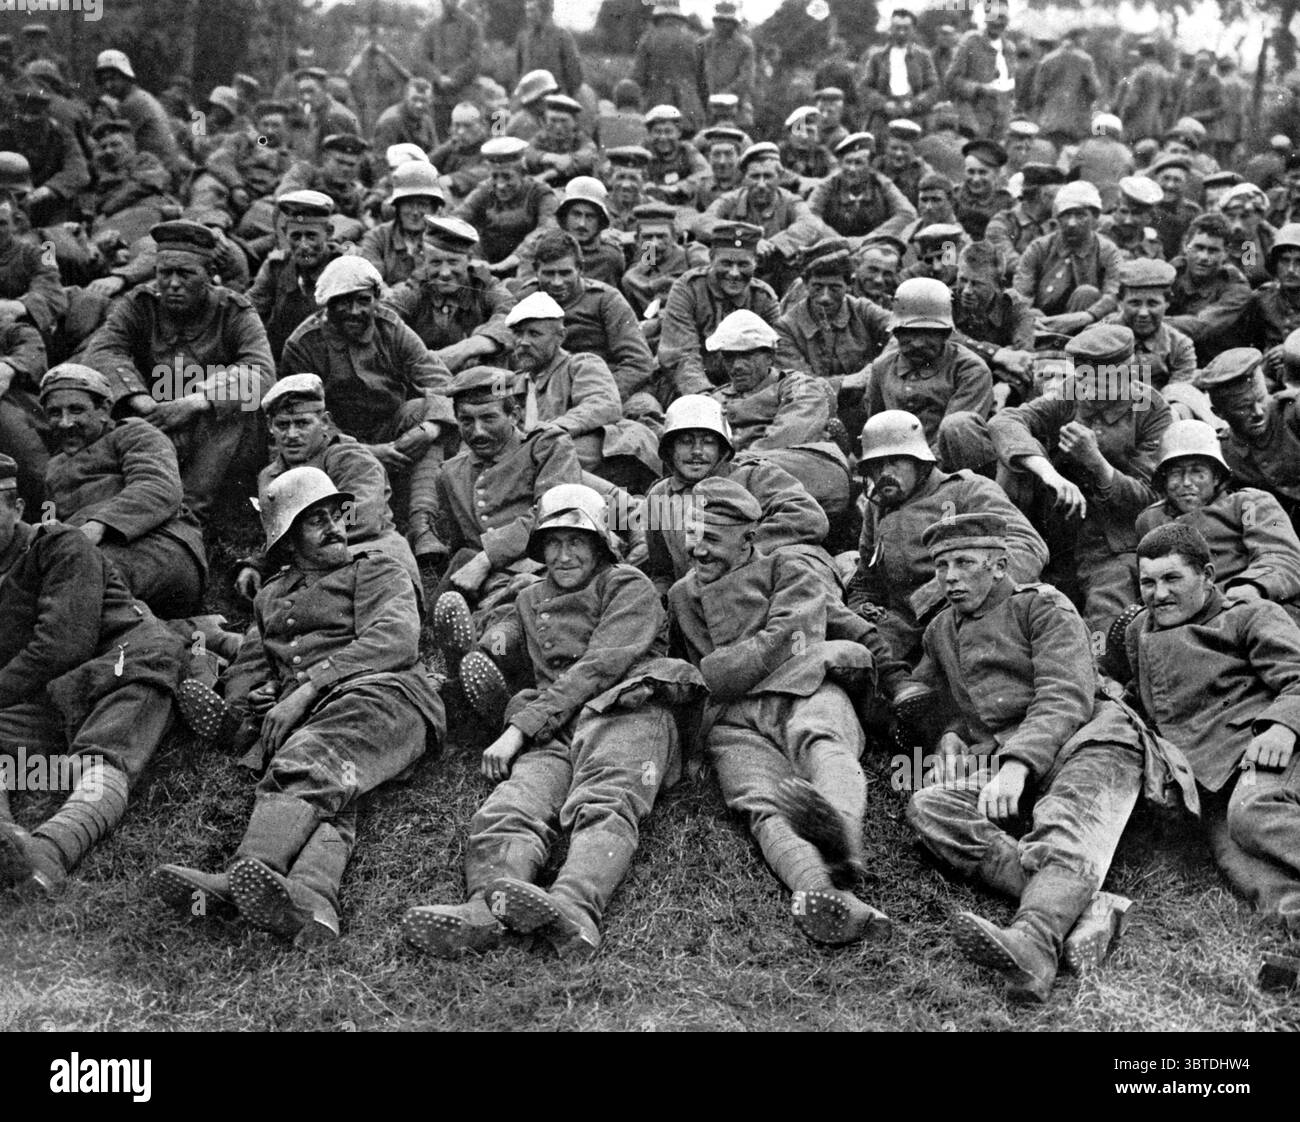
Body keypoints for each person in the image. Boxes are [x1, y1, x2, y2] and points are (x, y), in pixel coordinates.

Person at [403, 483, 701, 959]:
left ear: (600, 544)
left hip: (627, 708)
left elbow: (600, 665)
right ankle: (487, 905)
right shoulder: (530, 596)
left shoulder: (628, 586)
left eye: (576, 542)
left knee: (604, 802)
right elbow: (515, 638)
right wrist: (489, 646)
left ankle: (574, 908)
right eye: (553, 543)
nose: (563, 556)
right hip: (556, 725)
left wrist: (518, 729)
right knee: (512, 805)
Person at [151, 466, 444, 945]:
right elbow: (251, 662)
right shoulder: (270, 597)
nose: (334, 526)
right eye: (316, 520)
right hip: (318, 718)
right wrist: (256, 696)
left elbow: (395, 640)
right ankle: (312, 898)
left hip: (385, 697)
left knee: (310, 761)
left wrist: (306, 686)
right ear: (287, 540)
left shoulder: (376, 568)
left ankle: (250, 871)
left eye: (336, 515)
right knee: (332, 794)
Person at [904, 512, 1146, 1003]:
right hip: (1005, 763)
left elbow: (1065, 695)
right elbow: (947, 699)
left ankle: (1034, 944)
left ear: (998, 565)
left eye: (964, 563)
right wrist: (950, 735)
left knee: (1063, 820)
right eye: (941, 565)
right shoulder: (940, 632)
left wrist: (1016, 767)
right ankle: (1083, 902)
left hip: (1090, 740)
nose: (949, 577)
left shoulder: (1043, 606)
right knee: (929, 806)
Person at [668, 476, 901, 945]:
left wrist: (716, 672)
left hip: (803, 684)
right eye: (692, 536)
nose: (698, 550)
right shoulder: (681, 595)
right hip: (734, 722)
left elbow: (785, 639)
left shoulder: (789, 569)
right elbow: (679, 667)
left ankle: (843, 836)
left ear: (749, 538)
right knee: (759, 800)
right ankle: (825, 893)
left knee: (822, 741)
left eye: (712, 538)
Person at [0, 451, 185, 901]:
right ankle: (4, 837)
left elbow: (63, 644)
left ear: (16, 508)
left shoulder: (58, 545)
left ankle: (51, 849)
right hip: (49, 695)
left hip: (119, 664)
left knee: (108, 753)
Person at [1119, 523, 1300, 978]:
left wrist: (1281, 727)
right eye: (1147, 582)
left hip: (1266, 751)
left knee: (1255, 812)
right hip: (1210, 778)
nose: (1158, 594)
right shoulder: (1138, 631)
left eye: (1172, 579)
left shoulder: (1248, 614)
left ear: (1207, 575)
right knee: (1243, 867)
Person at [78, 220, 275, 524]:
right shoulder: (140, 303)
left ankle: (191, 513)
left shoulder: (234, 310)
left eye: (185, 274)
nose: (172, 283)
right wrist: (140, 399)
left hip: (211, 428)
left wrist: (197, 400)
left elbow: (261, 371)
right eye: (164, 273)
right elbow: (104, 350)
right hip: (152, 413)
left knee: (240, 408)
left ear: (210, 276)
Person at [989, 323, 1173, 633]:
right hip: (1055, 521)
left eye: (1099, 383)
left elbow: (1149, 498)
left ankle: (1100, 676)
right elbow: (1008, 420)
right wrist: (1048, 473)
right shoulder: (1072, 392)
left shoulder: (1151, 408)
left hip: (1109, 536)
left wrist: (1097, 462)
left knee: (1106, 620)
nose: (1086, 392)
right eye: (1083, 380)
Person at [424, 365, 582, 715]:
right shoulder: (450, 474)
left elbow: (555, 511)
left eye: (489, 418)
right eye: (466, 421)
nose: (476, 431)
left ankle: (475, 669)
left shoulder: (547, 446)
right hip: (490, 585)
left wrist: (487, 557)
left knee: (518, 616)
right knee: (490, 611)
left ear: (513, 413)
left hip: (548, 568)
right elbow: (456, 541)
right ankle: (476, 674)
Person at [279, 255, 454, 557]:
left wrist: (428, 428)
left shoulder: (390, 327)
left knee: (428, 411)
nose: (355, 311)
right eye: (343, 303)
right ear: (327, 305)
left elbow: (438, 379)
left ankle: (421, 523)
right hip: (334, 443)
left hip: (392, 428)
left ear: (375, 299)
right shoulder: (303, 344)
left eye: (363, 300)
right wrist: (368, 451)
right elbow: (304, 417)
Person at [846, 410, 1046, 664]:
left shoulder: (966, 488)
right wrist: (861, 615)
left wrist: (948, 593)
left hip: (970, 613)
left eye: (895, 460)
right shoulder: (878, 508)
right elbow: (866, 581)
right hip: (904, 629)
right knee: (853, 660)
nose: (884, 472)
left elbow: (1027, 545)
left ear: (920, 461)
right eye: (875, 465)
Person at [39, 362, 205, 617]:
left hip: (158, 545)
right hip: (90, 554)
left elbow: (158, 487)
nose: (65, 423)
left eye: (76, 410)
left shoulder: (135, 433)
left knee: (77, 587)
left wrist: (97, 525)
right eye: (54, 413)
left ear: (104, 409)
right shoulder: (54, 467)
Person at [640, 394, 826, 595]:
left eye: (708, 442)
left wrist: (739, 552)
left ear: (722, 449)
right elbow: (662, 572)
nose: (697, 451)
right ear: (670, 448)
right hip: (701, 597)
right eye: (685, 442)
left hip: (763, 586)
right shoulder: (660, 496)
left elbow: (808, 516)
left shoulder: (754, 475)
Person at [1135, 420, 1300, 621]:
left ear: (1216, 477)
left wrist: (1251, 587)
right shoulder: (1152, 519)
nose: (1186, 483)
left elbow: (1281, 556)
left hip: (1250, 607)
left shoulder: (1248, 504)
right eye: (1176, 474)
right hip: (1185, 617)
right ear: (1164, 479)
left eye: (1198, 472)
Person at [506, 291, 658, 489]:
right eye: (518, 333)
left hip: (592, 457)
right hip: (545, 456)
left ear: (560, 337)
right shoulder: (516, 382)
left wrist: (547, 431)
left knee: (547, 457)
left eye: (534, 334)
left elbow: (603, 404)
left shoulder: (582, 364)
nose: (523, 342)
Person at [860, 277, 995, 473]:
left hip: (958, 470)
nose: (917, 343)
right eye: (908, 333)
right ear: (896, 332)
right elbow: (875, 427)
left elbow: (958, 435)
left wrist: (922, 476)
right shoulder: (882, 368)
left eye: (928, 333)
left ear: (946, 333)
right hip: (901, 472)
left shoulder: (970, 370)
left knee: (957, 424)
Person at [518, 229, 655, 403]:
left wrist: (596, 396)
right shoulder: (526, 298)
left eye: (565, 273)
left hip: (605, 385)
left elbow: (639, 362)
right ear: (536, 270)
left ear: (580, 268)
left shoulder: (606, 299)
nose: (557, 282)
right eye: (548, 273)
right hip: (544, 391)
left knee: (643, 408)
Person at [659, 221, 780, 398]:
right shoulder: (688, 289)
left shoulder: (763, 297)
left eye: (743, 265)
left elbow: (776, 354)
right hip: (688, 387)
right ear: (711, 258)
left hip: (746, 390)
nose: (734, 273)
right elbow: (681, 355)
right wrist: (705, 395)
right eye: (726, 263)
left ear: (755, 263)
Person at [385, 215, 516, 370]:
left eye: (453, 262)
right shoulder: (414, 289)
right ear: (423, 260)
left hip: (479, 381)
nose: (445, 272)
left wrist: (467, 348)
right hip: (424, 380)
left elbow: (511, 314)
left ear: (469, 259)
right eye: (435, 262)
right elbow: (384, 318)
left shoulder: (485, 285)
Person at [1194, 348, 1300, 516]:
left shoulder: (1293, 412)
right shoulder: (1223, 451)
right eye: (1243, 408)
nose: (1258, 413)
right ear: (1218, 413)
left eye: (1261, 399)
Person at [1014, 180, 1123, 336]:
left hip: (1086, 326)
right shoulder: (1039, 248)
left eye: (1080, 215)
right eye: (1065, 215)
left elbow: (1115, 293)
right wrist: (1029, 316)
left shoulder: (1107, 250)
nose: (1071, 223)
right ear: (1057, 218)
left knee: (1087, 293)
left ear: (1095, 216)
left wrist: (1087, 315)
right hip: (1041, 324)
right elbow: (1021, 292)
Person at [249, 191, 344, 362]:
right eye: (296, 236)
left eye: (311, 236)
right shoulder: (276, 267)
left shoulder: (343, 267)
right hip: (284, 361)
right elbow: (250, 313)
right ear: (285, 233)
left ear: (328, 233)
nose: (304, 246)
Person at [949, 241, 1037, 405]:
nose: (967, 290)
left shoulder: (1014, 307)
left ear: (999, 285)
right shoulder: (947, 301)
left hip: (997, 384)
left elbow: (1024, 356)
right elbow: (945, 335)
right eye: (962, 280)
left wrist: (1006, 385)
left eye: (977, 284)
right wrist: (996, 354)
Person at [454, 136, 559, 272]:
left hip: (527, 267)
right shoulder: (485, 190)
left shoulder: (541, 193)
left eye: (507, 177)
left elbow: (547, 229)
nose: (500, 185)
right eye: (494, 176)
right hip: (486, 265)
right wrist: (474, 258)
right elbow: (458, 219)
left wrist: (509, 262)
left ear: (522, 174)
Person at [1165, 212, 1252, 362]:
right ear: (1186, 245)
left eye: (1213, 250)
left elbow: (1201, 326)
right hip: (1174, 358)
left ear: (1225, 253)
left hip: (1216, 366)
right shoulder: (1173, 271)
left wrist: (1149, 322)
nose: (1204, 257)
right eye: (1199, 248)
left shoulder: (1237, 287)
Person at [808, 133, 916, 242]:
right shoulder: (830, 184)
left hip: (872, 245)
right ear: (841, 163)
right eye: (848, 162)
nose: (852, 169)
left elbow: (907, 213)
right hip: (832, 244)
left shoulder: (881, 184)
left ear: (869, 166)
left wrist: (873, 237)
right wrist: (835, 239)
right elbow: (809, 214)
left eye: (858, 163)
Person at [358, 161, 445, 286]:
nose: (415, 212)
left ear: (434, 209)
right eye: (408, 204)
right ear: (397, 207)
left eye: (422, 205)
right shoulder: (378, 237)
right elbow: (371, 276)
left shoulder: (445, 239)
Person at [858, 8, 939, 140]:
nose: (901, 32)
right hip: (883, 121)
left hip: (915, 118)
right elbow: (864, 87)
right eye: (897, 28)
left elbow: (933, 87)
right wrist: (883, 103)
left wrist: (914, 104)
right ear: (891, 29)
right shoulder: (877, 57)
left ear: (913, 30)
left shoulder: (923, 57)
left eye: (906, 28)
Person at [93, 49, 179, 173]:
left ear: (126, 76)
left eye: (113, 79)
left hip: (158, 173)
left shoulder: (132, 103)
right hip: (161, 168)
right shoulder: (141, 96)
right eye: (104, 80)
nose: (108, 85)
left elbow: (117, 144)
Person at [944, 1, 1017, 141]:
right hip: (972, 123)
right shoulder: (971, 42)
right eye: (993, 16)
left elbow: (1011, 90)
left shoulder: (1009, 49)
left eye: (1002, 17)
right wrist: (979, 88)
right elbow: (951, 80)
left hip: (999, 126)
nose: (997, 22)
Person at [632, 0, 704, 131]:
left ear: (658, 16)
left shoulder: (648, 39)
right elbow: (703, 82)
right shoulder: (695, 40)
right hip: (690, 114)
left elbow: (637, 78)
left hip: (656, 111)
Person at [418, 0, 485, 134]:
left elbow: (475, 59)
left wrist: (454, 78)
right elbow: (422, 59)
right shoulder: (431, 27)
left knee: (469, 132)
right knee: (438, 135)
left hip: (465, 93)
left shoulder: (471, 25)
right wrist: (438, 77)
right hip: (439, 96)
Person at [1027, 30, 1100, 150]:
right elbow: (1095, 90)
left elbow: (1037, 94)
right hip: (1076, 123)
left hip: (1050, 121)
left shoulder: (1047, 59)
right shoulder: (1085, 60)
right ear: (1079, 38)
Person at [696, 1, 756, 126]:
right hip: (707, 107)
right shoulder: (703, 44)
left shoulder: (744, 45)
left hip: (737, 106)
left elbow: (746, 78)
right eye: (720, 20)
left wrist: (722, 96)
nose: (723, 25)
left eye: (727, 21)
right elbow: (697, 74)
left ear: (734, 23)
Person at [369, 78, 439, 183]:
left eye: (424, 101)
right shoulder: (391, 121)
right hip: (393, 181)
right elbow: (380, 162)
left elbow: (434, 154)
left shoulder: (426, 120)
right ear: (405, 98)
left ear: (430, 101)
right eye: (415, 99)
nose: (419, 105)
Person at [522, 95, 599, 189]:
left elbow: (586, 158)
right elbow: (527, 153)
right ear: (545, 121)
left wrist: (548, 175)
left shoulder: (581, 138)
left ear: (575, 122)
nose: (558, 127)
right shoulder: (540, 138)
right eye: (553, 120)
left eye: (564, 121)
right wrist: (547, 157)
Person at [292, 68, 362, 163]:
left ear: (325, 90)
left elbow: (340, 160)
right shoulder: (319, 113)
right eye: (302, 92)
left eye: (311, 91)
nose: (306, 97)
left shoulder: (334, 116)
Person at [516, 0, 583, 98]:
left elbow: (574, 74)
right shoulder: (523, 38)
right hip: (528, 102)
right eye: (527, 11)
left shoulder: (563, 37)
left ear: (545, 11)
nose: (528, 15)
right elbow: (518, 71)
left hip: (556, 101)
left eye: (532, 10)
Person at [1114, 38, 1175, 144]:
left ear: (1140, 53)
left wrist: (1122, 119)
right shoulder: (1164, 73)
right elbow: (1168, 102)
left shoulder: (1140, 73)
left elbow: (1132, 101)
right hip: (1156, 128)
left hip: (1136, 129)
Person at [430, 102, 491, 203]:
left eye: (468, 126)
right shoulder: (453, 145)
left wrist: (449, 180)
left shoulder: (490, 149)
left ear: (482, 126)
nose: (461, 131)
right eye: (457, 125)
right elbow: (426, 161)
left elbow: (485, 172)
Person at [954, 139, 1013, 242]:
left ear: (996, 174)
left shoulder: (1007, 203)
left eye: (982, 172)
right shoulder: (953, 197)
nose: (976, 179)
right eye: (971, 172)